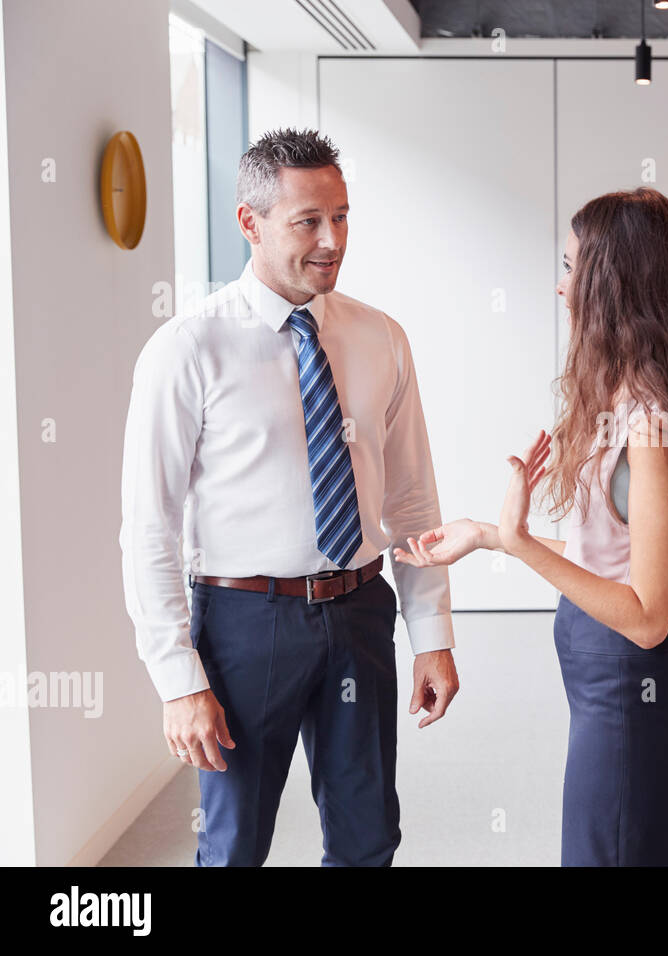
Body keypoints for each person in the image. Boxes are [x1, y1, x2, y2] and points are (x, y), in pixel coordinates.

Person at [119, 129, 459, 866]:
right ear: (251, 222)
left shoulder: (380, 337)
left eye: (341, 216)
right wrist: (178, 681)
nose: (332, 239)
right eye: (308, 221)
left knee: (369, 836)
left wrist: (432, 631)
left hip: (362, 611)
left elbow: (411, 500)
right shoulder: (187, 349)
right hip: (245, 624)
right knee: (236, 844)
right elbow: (150, 528)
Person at [395, 187, 668, 866]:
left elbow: (648, 615)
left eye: (570, 268)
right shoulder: (631, 401)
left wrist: (520, 543)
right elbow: (617, 556)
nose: (560, 288)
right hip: (616, 702)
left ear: (611, 287)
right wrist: (483, 533)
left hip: (633, 703)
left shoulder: (648, 424)